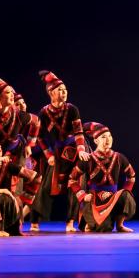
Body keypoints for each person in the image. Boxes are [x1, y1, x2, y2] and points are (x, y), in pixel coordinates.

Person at [33, 70, 90, 233]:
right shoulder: (44, 112)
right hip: (58, 152)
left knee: (75, 183)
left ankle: (71, 222)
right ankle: (35, 221)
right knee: (46, 186)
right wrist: (48, 155)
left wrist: (81, 150)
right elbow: (40, 137)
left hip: (75, 149)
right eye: (60, 90)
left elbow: (79, 132)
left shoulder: (72, 109)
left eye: (65, 90)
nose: (64, 92)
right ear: (51, 93)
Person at [70, 122, 136, 233]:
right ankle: (90, 223)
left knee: (126, 195)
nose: (108, 140)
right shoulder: (88, 159)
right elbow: (72, 179)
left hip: (112, 199)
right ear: (96, 141)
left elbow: (131, 176)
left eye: (110, 136)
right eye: (103, 137)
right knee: (104, 229)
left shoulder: (119, 157)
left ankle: (120, 225)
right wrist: (83, 196)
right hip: (94, 199)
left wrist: (124, 193)